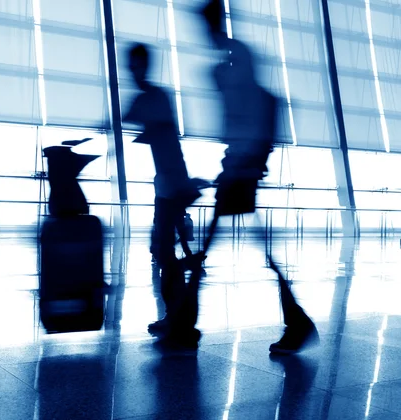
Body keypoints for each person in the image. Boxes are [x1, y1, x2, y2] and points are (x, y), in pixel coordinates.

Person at [191, 0, 320, 354]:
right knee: (225, 245)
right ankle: (296, 322)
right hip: (237, 164)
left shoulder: (237, 60)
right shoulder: (229, 62)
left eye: (204, 25)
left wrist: (245, 163)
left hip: (242, 167)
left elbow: (254, 112)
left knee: (223, 246)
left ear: (213, 23)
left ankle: (297, 323)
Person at [123, 43, 205, 348]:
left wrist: (145, 130)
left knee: (165, 254)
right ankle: (176, 315)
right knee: (165, 253)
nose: (133, 72)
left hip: (172, 185)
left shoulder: (154, 97)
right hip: (166, 185)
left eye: (137, 65)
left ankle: (178, 318)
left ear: (145, 66)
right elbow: (134, 119)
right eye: (131, 66)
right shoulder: (147, 97)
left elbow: (161, 128)